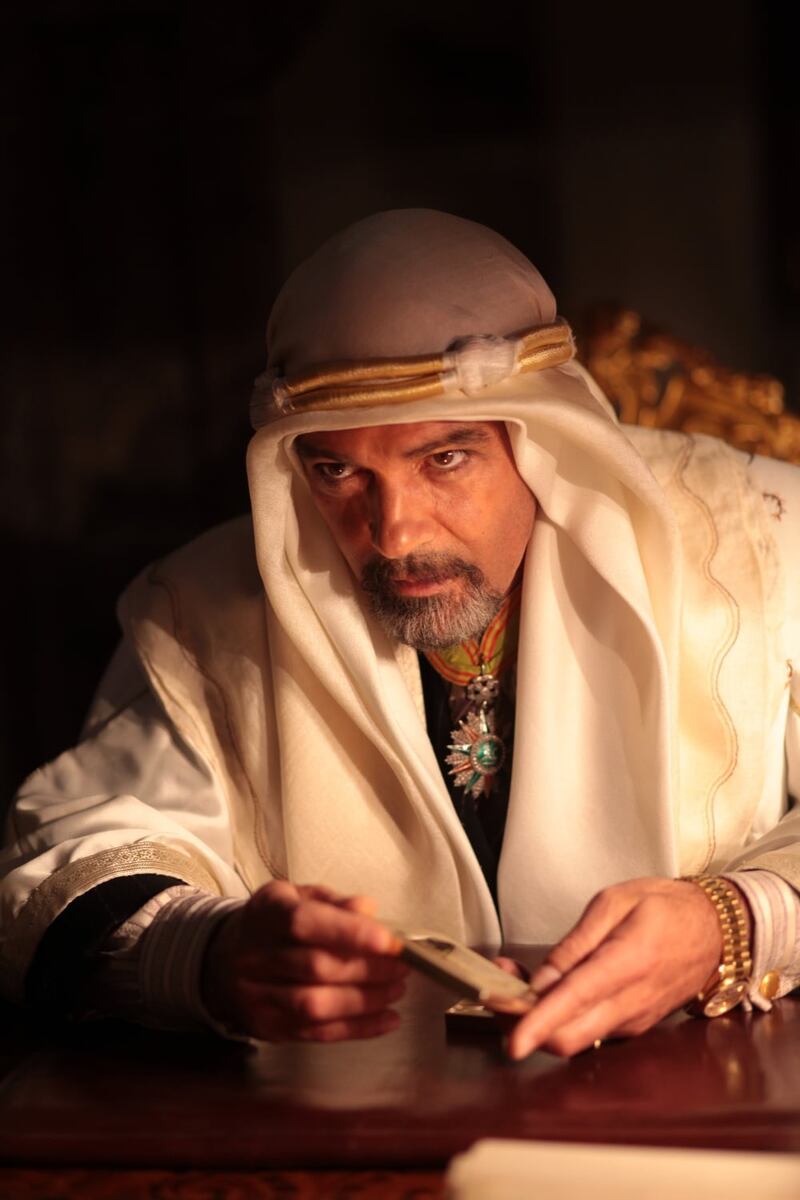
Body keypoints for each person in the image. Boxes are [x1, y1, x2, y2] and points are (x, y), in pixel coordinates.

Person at [2, 210, 799, 1060]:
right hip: (359, 1114)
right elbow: (69, 854)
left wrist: (735, 922)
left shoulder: (762, 539)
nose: (394, 534)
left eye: (443, 459)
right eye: (338, 470)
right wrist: (208, 953)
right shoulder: (204, 611)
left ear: (542, 440)